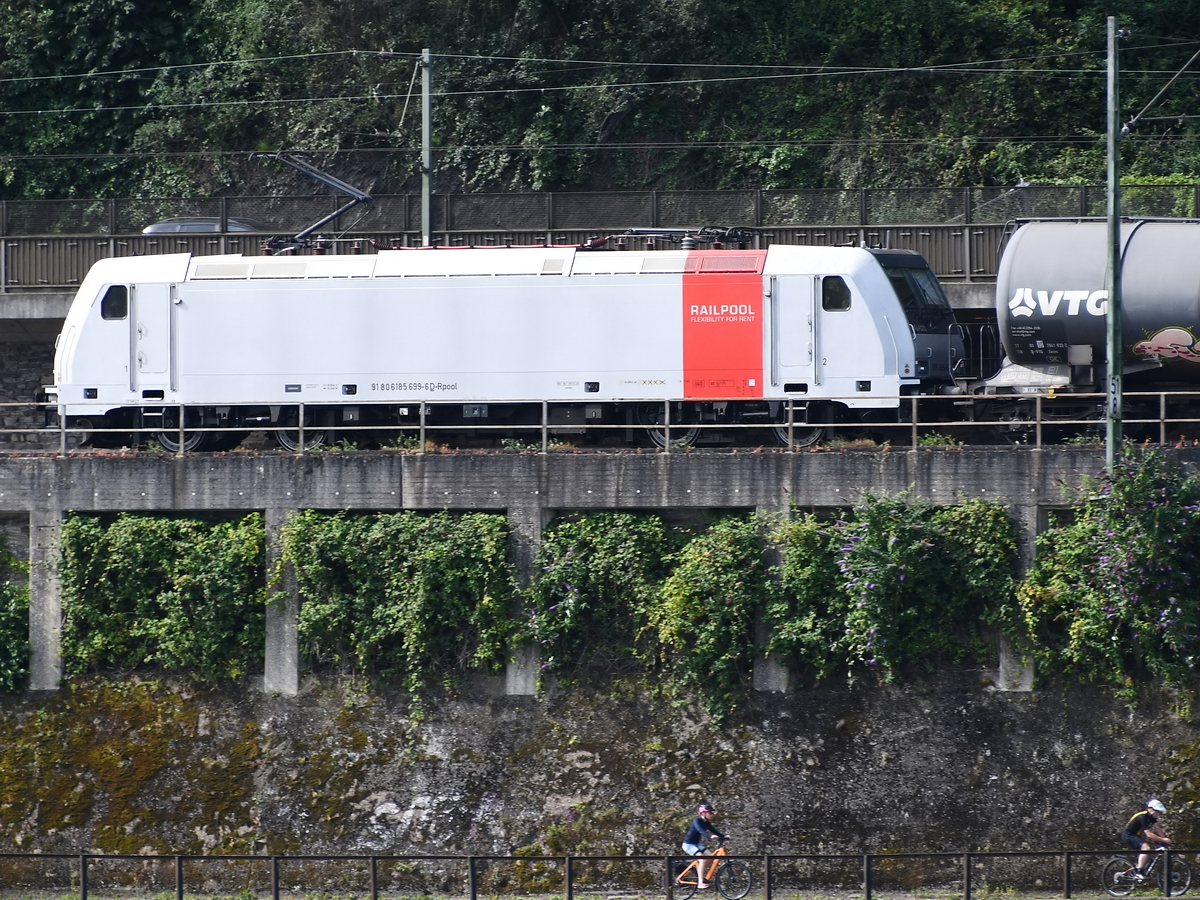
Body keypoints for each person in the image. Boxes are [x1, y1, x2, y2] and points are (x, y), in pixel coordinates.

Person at [1122, 798, 1171, 881]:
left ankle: (1138, 868)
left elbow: (1157, 828)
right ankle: (1139, 872)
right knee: (1146, 848)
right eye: (1157, 811)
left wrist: (1164, 838)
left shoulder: (1150, 817)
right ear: (1151, 809)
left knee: (1150, 852)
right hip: (1128, 835)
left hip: (1135, 835)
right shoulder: (1143, 817)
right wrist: (1163, 840)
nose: (1158, 814)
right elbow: (1149, 834)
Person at [682, 804, 727, 890]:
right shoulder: (697, 821)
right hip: (688, 844)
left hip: (696, 844)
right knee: (702, 859)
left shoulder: (707, 823)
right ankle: (700, 883)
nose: (712, 814)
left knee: (710, 857)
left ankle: (698, 870)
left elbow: (714, 831)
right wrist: (710, 836)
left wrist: (724, 837)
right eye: (710, 813)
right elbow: (700, 830)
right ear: (704, 813)